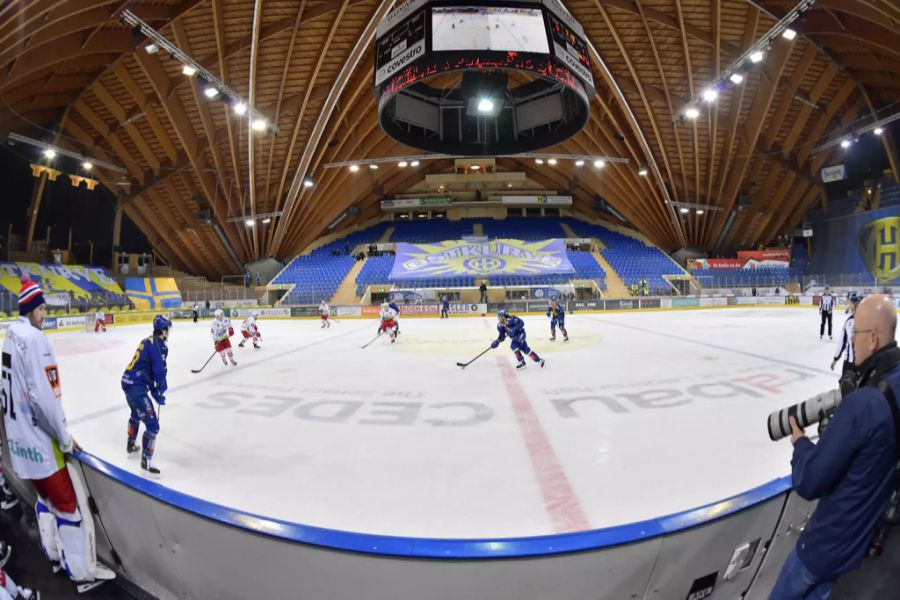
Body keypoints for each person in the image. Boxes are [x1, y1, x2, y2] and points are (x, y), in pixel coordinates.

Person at [772, 294, 899, 599]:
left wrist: (800, 442)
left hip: (825, 544)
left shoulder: (863, 404)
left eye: (855, 333)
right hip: (857, 541)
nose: (851, 340)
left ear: (872, 339)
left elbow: (810, 480)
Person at [1, 278, 115, 589]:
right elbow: (44, 399)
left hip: (18, 443)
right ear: (31, 307)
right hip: (41, 443)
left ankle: (53, 555)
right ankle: (78, 572)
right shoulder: (37, 342)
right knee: (68, 508)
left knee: (45, 501)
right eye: (41, 307)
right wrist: (63, 437)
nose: (44, 312)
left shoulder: (10, 336)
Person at [121, 315, 170, 478]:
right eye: (167, 329)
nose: (168, 332)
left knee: (136, 414)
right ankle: (146, 463)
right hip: (136, 387)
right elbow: (159, 371)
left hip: (127, 381)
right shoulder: (159, 345)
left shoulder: (147, 340)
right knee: (153, 425)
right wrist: (161, 389)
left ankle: (131, 443)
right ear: (163, 331)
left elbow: (144, 370)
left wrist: (154, 391)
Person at [831, 293, 860, 379]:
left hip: (862, 364)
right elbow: (842, 342)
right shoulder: (848, 322)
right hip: (848, 363)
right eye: (850, 303)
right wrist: (835, 359)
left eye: (851, 303)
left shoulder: (867, 322)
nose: (849, 306)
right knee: (845, 388)